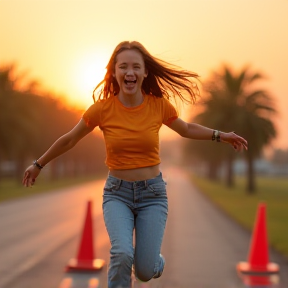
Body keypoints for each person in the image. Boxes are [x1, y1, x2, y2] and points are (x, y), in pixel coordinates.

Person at [23, 41, 248, 288]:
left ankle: (153, 262)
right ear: (114, 72)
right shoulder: (102, 110)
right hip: (117, 194)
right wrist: (39, 164)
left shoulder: (158, 105)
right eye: (123, 67)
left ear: (144, 72)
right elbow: (69, 140)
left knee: (143, 271)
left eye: (135, 67)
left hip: (152, 195)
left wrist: (220, 135)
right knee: (121, 254)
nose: (129, 72)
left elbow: (186, 129)